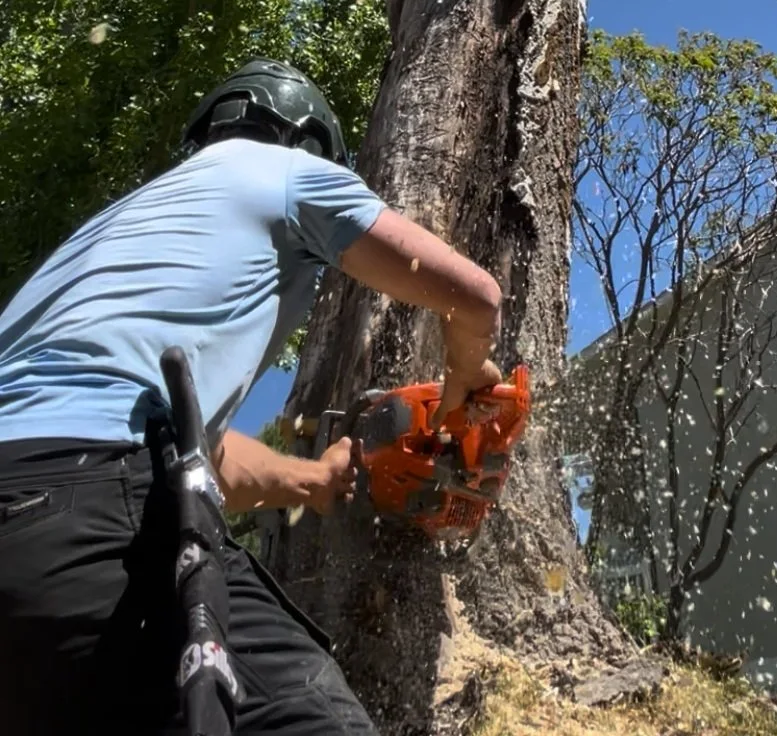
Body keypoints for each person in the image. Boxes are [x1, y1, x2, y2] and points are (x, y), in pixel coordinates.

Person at [0, 57, 503, 735]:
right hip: (98, 503)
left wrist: (313, 479)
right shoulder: (286, 172)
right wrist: (464, 372)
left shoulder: (105, 236)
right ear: (307, 140)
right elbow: (473, 296)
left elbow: (190, 452)